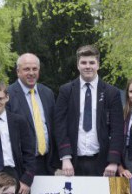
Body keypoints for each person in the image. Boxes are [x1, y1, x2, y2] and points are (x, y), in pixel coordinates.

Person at [53, 45, 124, 177]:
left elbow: (117, 129)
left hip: (102, 163)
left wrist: (113, 161)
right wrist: (65, 157)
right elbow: (59, 125)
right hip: (72, 163)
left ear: (98, 65)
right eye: (83, 62)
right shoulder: (66, 91)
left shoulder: (111, 93)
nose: (88, 66)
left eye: (92, 62)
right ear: (77, 65)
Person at [6, 53, 56, 194]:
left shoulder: (47, 93)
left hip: (45, 163)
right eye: (26, 69)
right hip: (21, 165)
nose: (31, 73)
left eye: (35, 69)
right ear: (18, 71)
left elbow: (52, 126)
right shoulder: (8, 95)